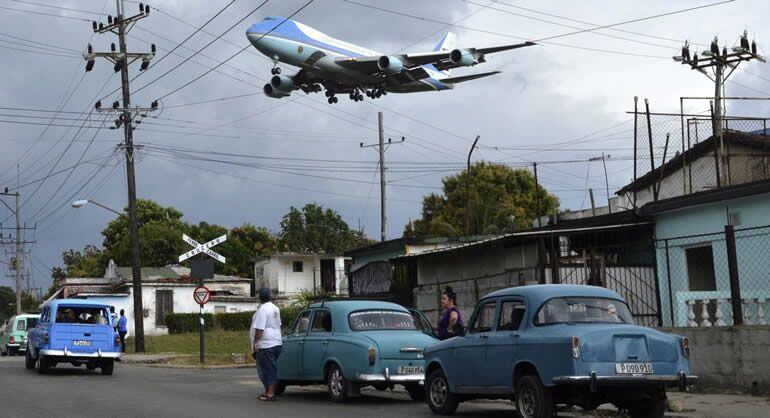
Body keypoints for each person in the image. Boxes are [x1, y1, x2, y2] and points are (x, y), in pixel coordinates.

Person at [250, 288, 282, 401]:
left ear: (259, 298)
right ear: (269, 296)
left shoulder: (262, 309)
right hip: (277, 342)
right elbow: (279, 324)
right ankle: (268, 391)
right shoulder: (275, 308)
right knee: (268, 367)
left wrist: (255, 343)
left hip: (266, 344)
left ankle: (271, 393)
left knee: (267, 369)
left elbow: (259, 329)